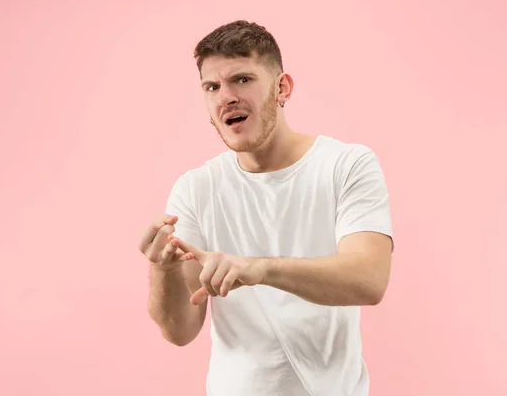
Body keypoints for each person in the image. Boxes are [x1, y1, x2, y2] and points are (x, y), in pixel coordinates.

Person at [138, 20, 394, 396]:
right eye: (212, 87)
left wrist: (259, 268)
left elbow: (369, 279)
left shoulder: (347, 165)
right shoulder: (195, 189)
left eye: (242, 79)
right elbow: (179, 331)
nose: (226, 96)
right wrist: (164, 270)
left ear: (282, 88)